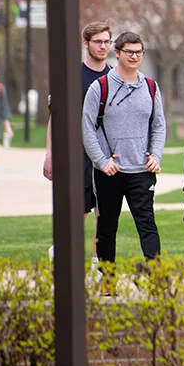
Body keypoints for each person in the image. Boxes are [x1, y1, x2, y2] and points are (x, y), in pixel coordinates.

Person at [81, 31, 167, 294]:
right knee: (107, 227)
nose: (134, 56)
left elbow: (159, 125)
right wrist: (101, 161)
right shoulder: (100, 87)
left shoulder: (151, 87)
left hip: (141, 170)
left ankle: (155, 278)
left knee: (147, 224)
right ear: (116, 52)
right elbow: (87, 128)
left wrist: (156, 155)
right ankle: (108, 282)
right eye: (129, 51)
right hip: (110, 171)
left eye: (139, 52)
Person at [43, 21, 112, 267]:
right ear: (86, 44)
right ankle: (63, 251)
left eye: (107, 41)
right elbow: (56, 117)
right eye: (98, 42)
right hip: (76, 153)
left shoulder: (113, 77)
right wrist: (50, 154)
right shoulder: (71, 76)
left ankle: (96, 263)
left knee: (103, 212)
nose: (103, 46)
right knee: (79, 210)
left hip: (105, 154)